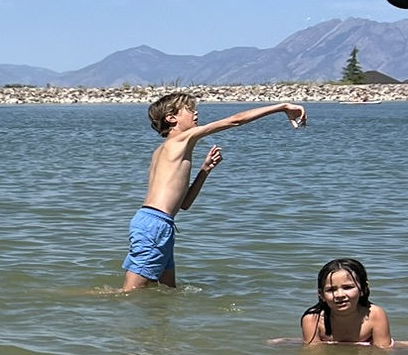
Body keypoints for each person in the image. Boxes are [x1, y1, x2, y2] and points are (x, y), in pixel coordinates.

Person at [125, 93, 307, 290]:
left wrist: (205, 170)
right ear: (171, 118)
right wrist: (281, 107)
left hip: (161, 223)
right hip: (155, 225)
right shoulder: (181, 140)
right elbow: (235, 121)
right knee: (129, 293)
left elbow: (184, 204)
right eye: (189, 109)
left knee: (168, 291)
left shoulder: (163, 151)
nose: (196, 112)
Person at [299, 257, 408, 349]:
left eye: (348, 287)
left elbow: (382, 353)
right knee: (279, 342)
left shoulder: (375, 315)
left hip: (367, 345)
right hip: (336, 345)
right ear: (321, 295)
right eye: (331, 290)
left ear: (363, 289)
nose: (339, 295)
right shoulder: (312, 319)